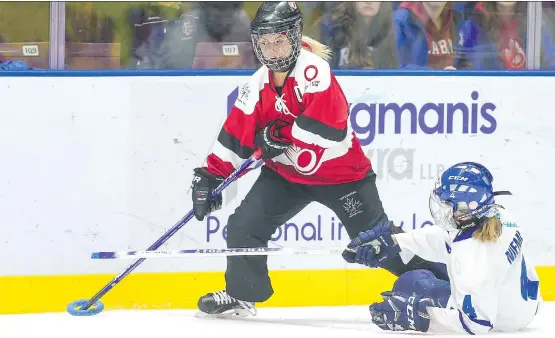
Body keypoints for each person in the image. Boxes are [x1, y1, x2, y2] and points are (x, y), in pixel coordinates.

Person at [190, 1, 447, 317]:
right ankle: (243, 294)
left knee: (379, 245)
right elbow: (235, 133)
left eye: (278, 40)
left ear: (295, 37)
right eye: (264, 42)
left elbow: (329, 131)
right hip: (285, 177)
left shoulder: (315, 71)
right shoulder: (257, 84)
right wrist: (210, 177)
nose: (271, 50)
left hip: (342, 178)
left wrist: (280, 136)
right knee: (244, 226)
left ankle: (445, 279)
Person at [344, 162, 542, 334]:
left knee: (410, 283)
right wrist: (395, 242)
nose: (442, 209)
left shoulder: (473, 261)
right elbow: (447, 240)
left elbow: (476, 324)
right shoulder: (499, 217)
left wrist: (419, 316)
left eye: (448, 204)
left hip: (501, 319)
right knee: (432, 271)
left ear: (465, 211)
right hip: (523, 304)